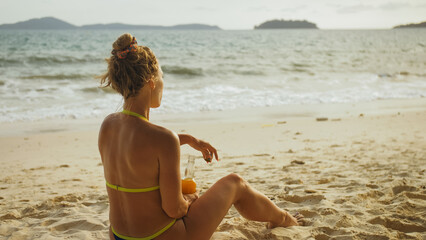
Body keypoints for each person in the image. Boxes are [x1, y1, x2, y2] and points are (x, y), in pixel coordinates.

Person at [98, 33, 304, 240]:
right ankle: (284, 218)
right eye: (162, 76)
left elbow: (137, 147)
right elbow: (175, 210)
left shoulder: (108, 126)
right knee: (235, 183)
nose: (163, 83)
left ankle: (282, 217)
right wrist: (186, 199)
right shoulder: (164, 139)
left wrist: (187, 139)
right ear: (151, 82)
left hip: (118, 236)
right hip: (162, 236)